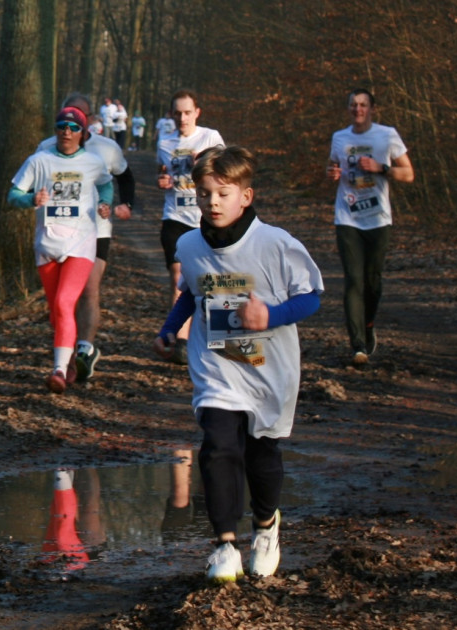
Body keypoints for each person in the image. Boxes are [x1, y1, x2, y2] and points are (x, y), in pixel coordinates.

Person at [153, 146, 323, 583]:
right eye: (205, 193)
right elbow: (193, 292)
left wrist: (270, 315)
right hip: (218, 365)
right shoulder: (188, 244)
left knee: (261, 451)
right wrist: (171, 328)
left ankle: (266, 527)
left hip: (269, 366)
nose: (212, 202)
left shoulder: (276, 243)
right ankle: (224, 545)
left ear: (245, 196)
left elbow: (311, 296)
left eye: (223, 193)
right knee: (219, 445)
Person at [10, 107, 113, 393]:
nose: (66, 132)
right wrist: (31, 199)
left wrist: (105, 204)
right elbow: (13, 195)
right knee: (56, 311)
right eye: (61, 126)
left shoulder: (93, 162)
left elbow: (106, 185)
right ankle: (67, 362)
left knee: (66, 303)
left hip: (81, 243)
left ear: (83, 133)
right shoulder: (38, 160)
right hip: (47, 243)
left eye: (73, 127)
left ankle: (56, 369)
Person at [38, 93, 135, 382]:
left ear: (90, 119)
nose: (71, 122)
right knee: (61, 301)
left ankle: (83, 349)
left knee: (88, 290)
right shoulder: (46, 148)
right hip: (55, 234)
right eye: (66, 115)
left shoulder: (106, 148)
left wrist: (124, 204)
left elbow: (125, 177)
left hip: (95, 230)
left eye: (79, 116)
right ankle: (65, 356)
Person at [327, 88, 414, 365]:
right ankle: (358, 347)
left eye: (363, 105)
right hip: (347, 217)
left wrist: (381, 169)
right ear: (348, 108)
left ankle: (368, 325)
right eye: (353, 104)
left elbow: (408, 174)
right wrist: (333, 172)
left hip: (378, 218)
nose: (358, 109)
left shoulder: (386, 135)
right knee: (354, 279)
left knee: (372, 282)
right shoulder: (340, 138)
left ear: (371, 109)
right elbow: (332, 167)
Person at [156, 89, 225, 364]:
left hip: (207, 217)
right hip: (174, 216)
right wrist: (162, 182)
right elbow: (165, 176)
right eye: (178, 113)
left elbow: (225, 172)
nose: (183, 118)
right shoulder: (164, 143)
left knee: (212, 280)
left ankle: (215, 336)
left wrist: (205, 162)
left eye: (188, 112)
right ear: (172, 115)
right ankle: (182, 342)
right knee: (178, 279)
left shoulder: (211, 137)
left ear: (197, 112)